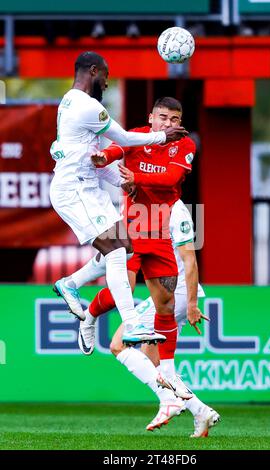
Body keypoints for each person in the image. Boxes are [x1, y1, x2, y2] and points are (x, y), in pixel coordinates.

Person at [68, 97, 220, 435]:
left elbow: (168, 181)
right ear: (150, 118)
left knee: (145, 319)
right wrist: (102, 158)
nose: (168, 124)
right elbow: (116, 150)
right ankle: (195, 409)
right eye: (162, 118)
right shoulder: (137, 136)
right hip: (135, 232)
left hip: (165, 255)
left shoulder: (184, 151)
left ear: (181, 122)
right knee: (122, 290)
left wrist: (133, 178)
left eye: (174, 119)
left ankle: (177, 396)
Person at [50, 52, 187, 349]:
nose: (108, 84)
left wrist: (122, 180)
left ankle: (71, 284)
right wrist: (163, 138)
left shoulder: (71, 102)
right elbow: (123, 139)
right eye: (106, 77)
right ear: (94, 71)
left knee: (124, 248)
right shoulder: (86, 105)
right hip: (75, 191)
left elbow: (96, 156)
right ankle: (132, 323)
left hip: (88, 188)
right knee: (115, 251)